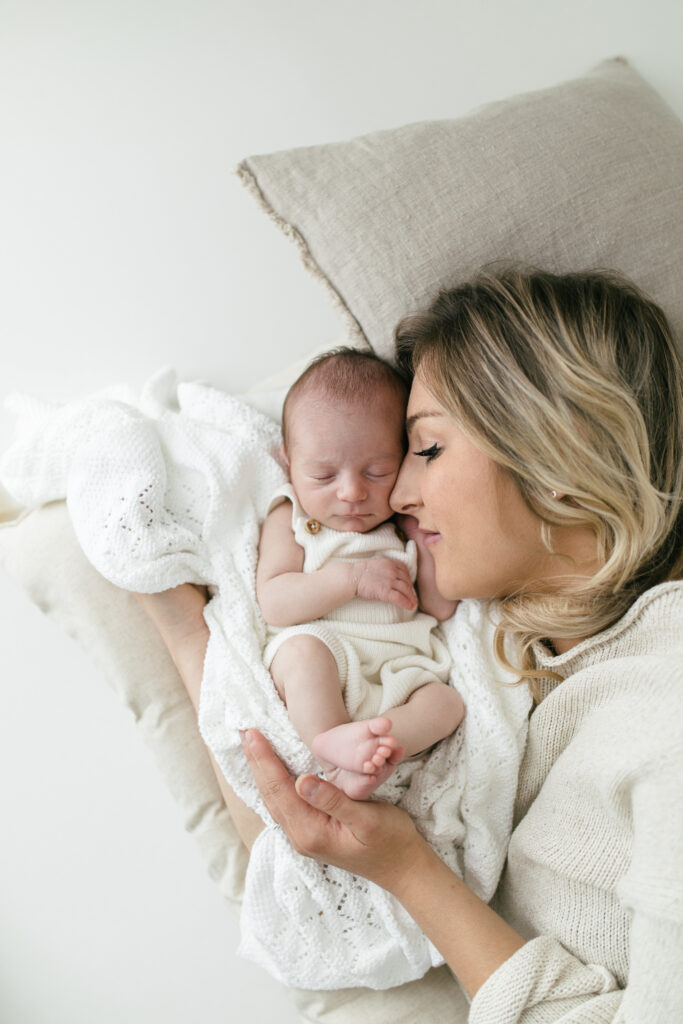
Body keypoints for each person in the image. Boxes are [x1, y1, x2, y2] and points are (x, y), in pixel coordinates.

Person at [140, 267, 683, 1021]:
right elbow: (298, 818)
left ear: (560, 451)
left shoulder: (664, 707)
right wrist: (184, 630)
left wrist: (411, 873)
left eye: (424, 449)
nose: (393, 497)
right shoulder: (522, 652)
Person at [256, 348, 464, 798]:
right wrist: (350, 580)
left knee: (446, 703)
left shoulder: (403, 523)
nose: (352, 492)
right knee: (302, 656)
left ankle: (381, 749)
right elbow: (274, 601)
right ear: (288, 461)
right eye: (323, 475)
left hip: (400, 668)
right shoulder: (292, 518)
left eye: (377, 471)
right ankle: (329, 746)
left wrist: (425, 542)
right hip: (328, 651)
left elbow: (441, 605)